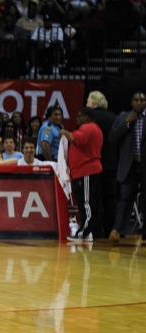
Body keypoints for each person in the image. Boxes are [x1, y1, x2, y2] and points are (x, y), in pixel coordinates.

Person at [59, 107, 102, 243]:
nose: (77, 118)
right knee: (86, 202)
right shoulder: (93, 128)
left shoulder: (88, 128)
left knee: (86, 202)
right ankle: (86, 231)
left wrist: (64, 132)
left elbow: (75, 138)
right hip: (83, 171)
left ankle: (85, 231)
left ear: (88, 117)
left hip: (86, 170)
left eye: (80, 116)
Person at [109, 92, 146, 244]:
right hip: (129, 165)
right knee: (124, 197)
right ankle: (118, 230)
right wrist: (126, 123)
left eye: (142, 100)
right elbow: (113, 139)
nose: (139, 102)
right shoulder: (123, 117)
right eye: (136, 100)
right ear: (131, 102)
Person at [86, 90, 118, 238]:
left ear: (92, 103)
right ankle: (112, 229)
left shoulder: (89, 118)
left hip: (93, 162)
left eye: (87, 102)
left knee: (94, 197)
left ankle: (95, 230)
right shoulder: (114, 118)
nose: (86, 105)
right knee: (110, 197)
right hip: (112, 163)